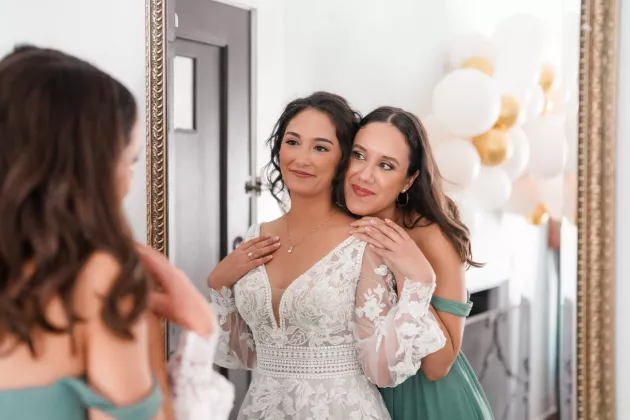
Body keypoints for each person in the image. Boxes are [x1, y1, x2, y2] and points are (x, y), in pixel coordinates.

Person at [0, 45, 230, 420]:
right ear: (89, 166)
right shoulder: (97, 281)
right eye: (130, 160)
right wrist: (198, 329)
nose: (128, 181)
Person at [207, 92, 446, 419]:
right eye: (293, 142)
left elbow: (381, 370)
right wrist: (219, 285)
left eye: (320, 147)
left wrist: (420, 282)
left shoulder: (363, 243)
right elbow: (243, 354)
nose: (301, 158)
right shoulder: (255, 237)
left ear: (343, 159)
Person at [345, 106, 494, 420]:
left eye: (386, 165)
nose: (365, 175)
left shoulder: (431, 237)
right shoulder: (337, 224)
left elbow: (439, 366)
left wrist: (411, 275)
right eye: (359, 155)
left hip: (427, 402)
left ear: (408, 180)